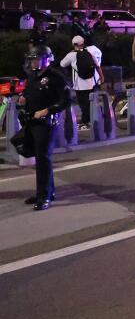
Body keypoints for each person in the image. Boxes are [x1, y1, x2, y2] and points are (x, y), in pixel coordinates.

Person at [19, 45, 70, 211]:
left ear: (46, 59)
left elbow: (65, 101)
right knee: (38, 158)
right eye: (32, 59)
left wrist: (47, 110)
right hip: (32, 122)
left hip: (47, 123)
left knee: (43, 159)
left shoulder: (56, 77)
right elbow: (29, 94)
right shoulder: (33, 76)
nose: (33, 62)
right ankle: (46, 191)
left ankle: (44, 196)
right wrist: (23, 98)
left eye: (36, 58)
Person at [60, 35, 103, 133]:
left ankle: (86, 121)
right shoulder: (89, 52)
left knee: (83, 104)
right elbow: (97, 65)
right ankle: (94, 119)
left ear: (73, 44)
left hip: (79, 84)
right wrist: (101, 77)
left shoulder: (71, 55)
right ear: (83, 43)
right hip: (91, 82)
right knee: (90, 102)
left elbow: (62, 64)